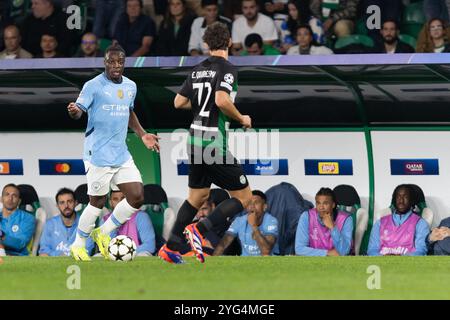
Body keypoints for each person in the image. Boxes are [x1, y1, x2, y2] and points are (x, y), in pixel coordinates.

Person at [158, 21, 253, 264]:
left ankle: (170, 247)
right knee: (244, 198)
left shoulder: (197, 69)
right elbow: (221, 100)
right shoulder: (228, 69)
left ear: (206, 45)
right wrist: (241, 117)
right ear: (230, 42)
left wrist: (201, 105)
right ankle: (198, 230)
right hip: (212, 141)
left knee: (197, 195)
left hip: (193, 139)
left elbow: (178, 102)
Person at [67, 44, 160, 261]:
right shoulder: (93, 86)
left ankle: (103, 233)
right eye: (112, 62)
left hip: (121, 154)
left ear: (124, 63)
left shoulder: (130, 86)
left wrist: (143, 134)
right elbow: (78, 111)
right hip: (98, 154)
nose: (116, 66)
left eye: (120, 62)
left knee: (137, 196)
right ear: (105, 62)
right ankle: (78, 244)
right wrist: (74, 111)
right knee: (97, 203)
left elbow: (129, 112)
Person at [367, 184, 429, 256]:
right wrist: (383, 258)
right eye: (398, 197)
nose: (401, 201)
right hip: (381, 263)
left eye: (405, 197)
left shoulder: (420, 223)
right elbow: (372, 250)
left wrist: (400, 258)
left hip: (408, 264)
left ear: (412, 200)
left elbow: (421, 251)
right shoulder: (380, 223)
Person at [214, 190, 279, 256]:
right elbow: (222, 245)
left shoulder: (271, 221)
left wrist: (254, 226)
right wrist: (212, 264)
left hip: (267, 263)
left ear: (264, 207)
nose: (252, 206)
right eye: (249, 203)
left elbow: (266, 251)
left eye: (256, 203)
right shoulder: (239, 220)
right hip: (246, 262)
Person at [295, 187, 353, 256]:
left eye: (325, 203)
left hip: (337, 262)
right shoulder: (306, 216)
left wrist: (333, 227)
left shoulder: (346, 219)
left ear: (333, 205)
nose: (321, 207)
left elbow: (344, 251)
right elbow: (299, 249)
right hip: (312, 261)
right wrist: (327, 253)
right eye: (318, 203)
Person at [101, 190, 156, 256]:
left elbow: (150, 246)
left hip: (136, 255)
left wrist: (124, 252)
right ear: (110, 203)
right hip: (112, 256)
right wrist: (114, 225)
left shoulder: (141, 216)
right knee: (97, 256)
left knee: (144, 255)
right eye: (115, 199)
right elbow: (105, 246)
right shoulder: (105, 220)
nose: (119, 203)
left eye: (123, 199)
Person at [39, 188, 79, 256]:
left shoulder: (85, 224)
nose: (66, 206)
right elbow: (44, 250)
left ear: (75, 203)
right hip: (54, 263)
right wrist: (59, 255)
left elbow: (88, 249)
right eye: (62, 202)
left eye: (69, 201)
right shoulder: (50, 224)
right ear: (57, 205)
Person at [0, 184, 36, 256]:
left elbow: (21, 243)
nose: (10, 198)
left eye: (14, 196)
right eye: (7, 194)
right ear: (1, 199)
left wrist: (1, 235)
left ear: (19, 201)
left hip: (17, 257)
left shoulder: (28, 218)